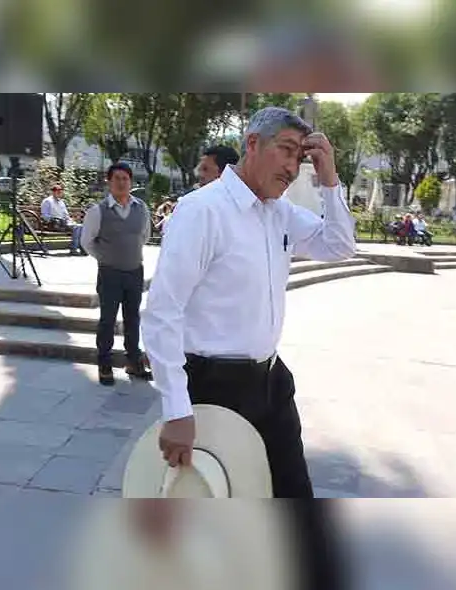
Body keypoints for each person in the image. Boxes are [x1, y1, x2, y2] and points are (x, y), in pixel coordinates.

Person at [141, 106, 356, 499]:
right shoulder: (202, 211)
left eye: (299, 156)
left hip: (271, 382)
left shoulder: (281, 213)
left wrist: (329, 179)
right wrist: (176, 408)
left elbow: (340, 245)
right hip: (214, 386)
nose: (292, 168)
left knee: (292, 492)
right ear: (253, 144)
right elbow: (162, 311)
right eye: (286, 150)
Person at [80, 163, 154, 385]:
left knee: (133, 318)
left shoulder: (142, 208)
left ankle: (134, 362)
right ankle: (105, 363)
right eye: (117, 178)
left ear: (131, 182)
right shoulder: (97, 211)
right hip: (109, 273)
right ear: (109, 182)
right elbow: (87, 242)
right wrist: (106, 258)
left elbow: (145, 237)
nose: (122, 183)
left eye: (125, 179)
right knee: (107, 320)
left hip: (134, 272)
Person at [41, 184, 85, 255]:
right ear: (53, 192)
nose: (59, 193)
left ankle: (82, 248)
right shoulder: (47, 201)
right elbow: (44, 215)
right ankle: (73, 249)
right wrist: (53, 219)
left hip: (63, 223)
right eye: (57, 191)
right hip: (53, 224)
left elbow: (66, 215)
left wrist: (70, 221)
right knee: (77, 227)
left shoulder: (61, 202)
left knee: (81, 226)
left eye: (60, 191)